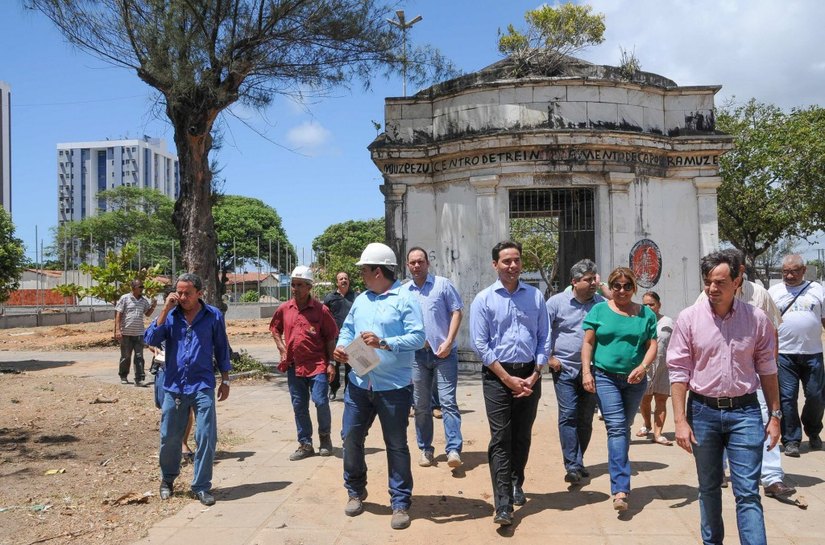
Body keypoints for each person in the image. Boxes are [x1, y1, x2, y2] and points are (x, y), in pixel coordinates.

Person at [668, 251, 780, 545]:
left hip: (745, 413)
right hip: (702, 413)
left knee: (747, 492)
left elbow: (768, 370)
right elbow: (678, 372)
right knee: (708, 488)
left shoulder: (756, 320)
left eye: (720, 282)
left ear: (737, 282)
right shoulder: (689, 319)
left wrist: (775, 415)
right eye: (708, 282)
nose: (712, 288)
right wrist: (679, 421)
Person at [334, 243, 425, 530]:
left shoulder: (405, 298)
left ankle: (400, 502)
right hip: (359, 383)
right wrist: (341, 347)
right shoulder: (361, 299)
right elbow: (348, 329)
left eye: (364, 269)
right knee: (351, 437)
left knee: (396, 445)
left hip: (394, 387)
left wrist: (384, 342)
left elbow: (418, 337)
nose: (360, 274)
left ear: (377, 271)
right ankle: (355, 491)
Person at [696, 248, 795, 498]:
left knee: (766, 417)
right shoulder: (706, 295)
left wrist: (769, 368)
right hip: (717, 377)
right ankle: (719, 470)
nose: (715, 286)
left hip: (753, 375)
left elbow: (772, 331)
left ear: (739, 273)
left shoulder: (759, 294)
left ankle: (772, 477)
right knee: (718, 420)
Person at [470, 241, 548, 526]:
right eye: (506, 261)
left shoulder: (535, 297)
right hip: (497, 376)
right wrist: (506, 378)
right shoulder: (483, 300)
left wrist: (535, 374)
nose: (512, 266)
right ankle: (502, 504)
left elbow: (544, 337)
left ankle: (517, 483)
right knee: (501, 438)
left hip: (529, 375)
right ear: (495, 265)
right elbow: (479, 344)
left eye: (516, 260)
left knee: (522, 435)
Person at [144, 272, 231, 507]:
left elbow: (222, 347)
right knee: (169, 436)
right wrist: (164, 310)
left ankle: (201, 486)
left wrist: (225, 379)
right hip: (174, 385)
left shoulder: (213, 315)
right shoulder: (171, 315)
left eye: (187, 293)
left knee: (206, 435)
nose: (182, 297)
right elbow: (150, 338)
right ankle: (167, 479)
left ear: (199, 293)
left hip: (202, 384)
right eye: (179, 292)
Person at [581, 266, 657, 511]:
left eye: (627, 286)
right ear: (610, 287)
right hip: (605, 377)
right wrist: (586, 372)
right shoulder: (599, 310)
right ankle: (620, 489)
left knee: (624, 427)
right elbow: (588, 343)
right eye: (616, 286)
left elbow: (652, 345)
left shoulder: (646, 314)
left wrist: (643, 367)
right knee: (616, 428)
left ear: (634, 288)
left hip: (635, 380)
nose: (622, 291)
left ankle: (620, 479)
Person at [545, 259, 604, 485]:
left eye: (594, 279)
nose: (593, 283)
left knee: (585, 419)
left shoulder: (601, 304)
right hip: (564, 368)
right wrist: (549, 358)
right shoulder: (556, 303)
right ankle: (572, 465)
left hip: (592, 370)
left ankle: (578, 461)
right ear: (574, 282)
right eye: (588, 280)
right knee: (568, 415)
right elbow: (542, 331)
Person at [405, 247, 464, 469]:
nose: (417, 265)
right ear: (408, 265)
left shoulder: (443, 285)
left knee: (448, 402)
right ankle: (425, 449)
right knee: (421, 405)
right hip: (417, 355)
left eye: (420, 261)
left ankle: (453, 449)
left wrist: (449, 341)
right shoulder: (404, 291)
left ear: (428, 263)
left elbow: (457, 311)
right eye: (412, 262)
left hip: (444, 354)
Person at [270, 266, 338, 461]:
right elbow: (275, 329)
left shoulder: (321, 310)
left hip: (317, 364)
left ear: (309, 287)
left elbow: (330, 337)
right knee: (299, 405)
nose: (295, 288)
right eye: (293, 285)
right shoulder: (284, 309)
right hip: (294, 366)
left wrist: (331, 362)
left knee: (320, 401)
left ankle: (325, 438)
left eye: (300, 285)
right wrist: (281, 348)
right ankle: (305, 444)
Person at [768, 254, 825, 456]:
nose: (789, 275)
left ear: (803, 271)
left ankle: (813, 430)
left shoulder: (817, 290)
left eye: (794, 271)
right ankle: (791, 439)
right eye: (785, 272)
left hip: (813, 353)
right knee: (787, 398)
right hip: (784, 354)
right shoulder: (773, 292)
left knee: (817, 396)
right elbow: (766, 323)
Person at [637, 291, 675, 446]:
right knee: (645, 399)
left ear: (659, 305)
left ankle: (658, 434)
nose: (648, 307)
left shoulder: (668, 322)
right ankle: (647, 425)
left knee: (661, 400)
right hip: (645, 367)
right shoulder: (638, 321)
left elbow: (676, 344)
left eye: (651, 304)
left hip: (663, 367)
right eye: (645, 304)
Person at [115, 279, 157, 386]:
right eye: (140, 287)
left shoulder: (143, 301)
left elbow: (147, 314)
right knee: (125, 356)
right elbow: (119, 314)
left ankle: (139, 379)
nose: (142, 289)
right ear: (133, 288)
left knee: (139, 357)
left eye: (142, 287)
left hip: (139, 334)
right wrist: (117, 330)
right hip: (126, 333)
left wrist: (153, 306)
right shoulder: (125, 298)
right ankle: (123, 376)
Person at [324, 271, 356, 400]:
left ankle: (348, 391)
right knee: (334, 365)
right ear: (337, 282)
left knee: (350, 366)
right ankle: (333, 388)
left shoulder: (356, 297)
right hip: (334, 338)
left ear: (349, 281)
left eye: (345, 278)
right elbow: (324, 317)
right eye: (341, 279)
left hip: (351, 337)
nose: (343, 280)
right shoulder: (330, 298)